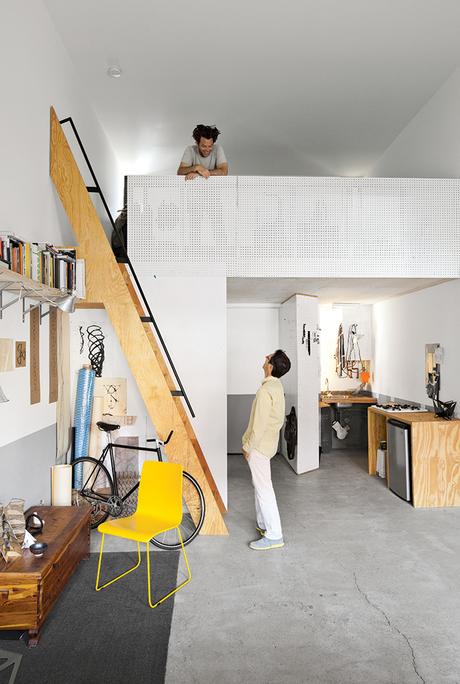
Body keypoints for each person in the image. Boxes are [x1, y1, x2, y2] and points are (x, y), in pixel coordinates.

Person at [242, 349, 291, 551]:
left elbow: (259, 424)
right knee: (260, 486)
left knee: (264, 490)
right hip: (268, 445)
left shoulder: (265, 391)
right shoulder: (276, 387)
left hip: (259, 447)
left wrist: (248, 446)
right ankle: (263, 526)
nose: (264, 359)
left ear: (270, 366)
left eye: (268, 358)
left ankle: (274, 535)